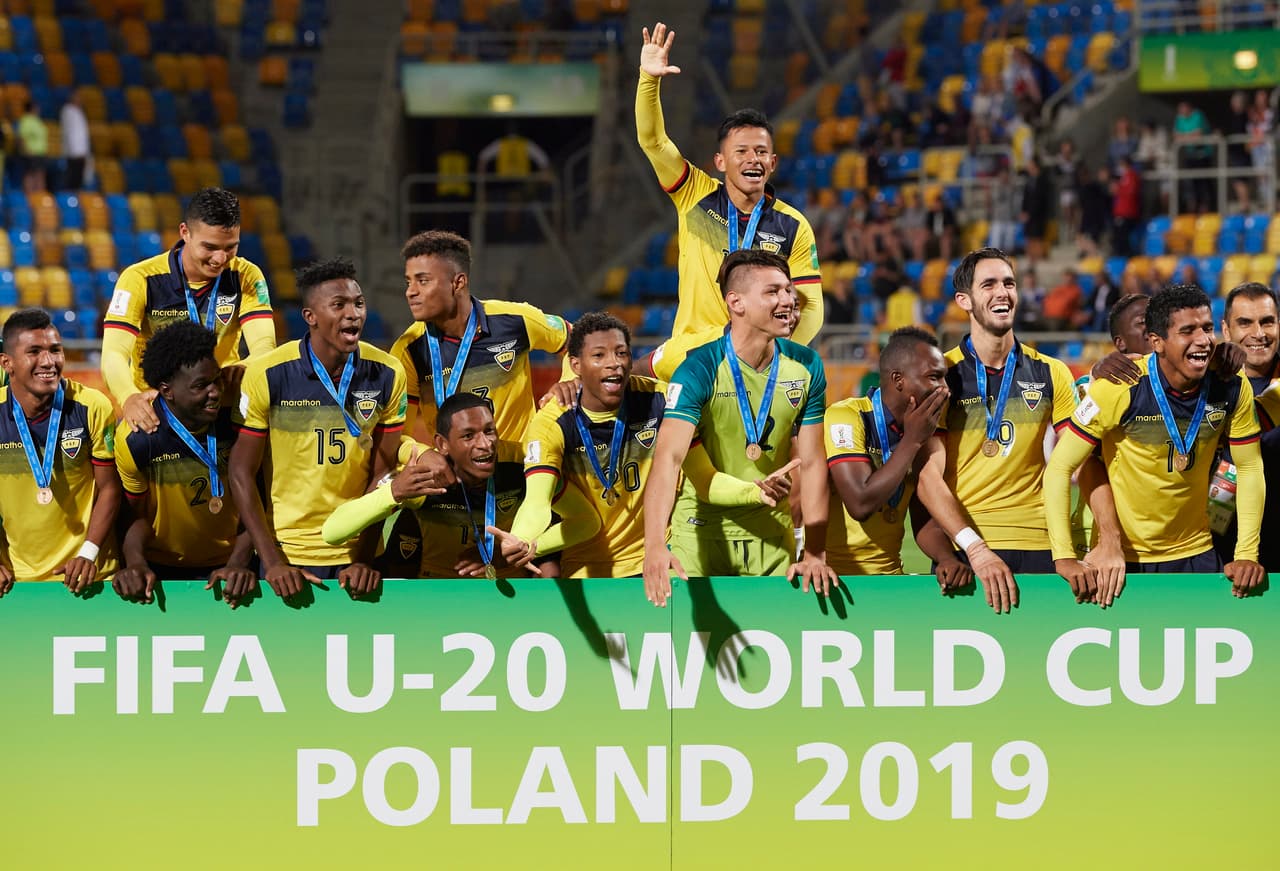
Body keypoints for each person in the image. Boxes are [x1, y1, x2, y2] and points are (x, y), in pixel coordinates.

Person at [1046, 284, 1266, 597]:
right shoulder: (1118, 387)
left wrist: (1246, 554)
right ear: (1157, 342)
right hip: (1123, 561)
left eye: (1206, 328)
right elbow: (1059, 468)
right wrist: (1064, 557)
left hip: (1197, 553)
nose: (1203, 340)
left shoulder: (1231, 385)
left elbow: (1249, 467)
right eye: (1187, 331)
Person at [642, 250, 834, 606]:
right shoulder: (700, 367)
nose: (789, 301)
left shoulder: (807, 365)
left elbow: (813, 462)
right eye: (773, 292)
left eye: (789, 291)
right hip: (700, 537)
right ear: (737, 302)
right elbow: (668, 459)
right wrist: (654, 545)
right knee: (693, 655)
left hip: (772, 538)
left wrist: (815, 552)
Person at [635, 22, 824, 358]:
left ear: (774, 162)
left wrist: (774, 355)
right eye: (742, 152)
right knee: (633, 383)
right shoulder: (694, 194)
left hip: (754, 364)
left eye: (762, 152)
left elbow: (810, 308)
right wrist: (649, 80)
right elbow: (653, 141)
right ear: (720, 161)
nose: (753, 159)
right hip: (694, 356)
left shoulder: (792, 226)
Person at [229, 257, 406, 602]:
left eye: (358, 303)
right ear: (310, 317)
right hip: (286, 555)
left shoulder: (387, 372)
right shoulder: (269, 374)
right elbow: (240, 471)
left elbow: (383, 470)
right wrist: (272, 560)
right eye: (338, 305)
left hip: (358, 555)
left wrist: (363, 558)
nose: (353, 313)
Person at [917, 248, 1077, 586]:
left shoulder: (1053, 372)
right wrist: (973, 548)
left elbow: (1080, 462)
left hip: (1040, 543)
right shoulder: (940, 375)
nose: (1003, 292)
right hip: (967, 546)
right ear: (964, 300)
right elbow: (928, 477)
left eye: (1009, 283)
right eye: (988, 285)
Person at [322, 393, 567, 580]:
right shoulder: (426, 478)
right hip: (437, 602)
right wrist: (393, 492)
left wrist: (516, 552)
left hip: (512, 601)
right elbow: (333, 532)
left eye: (489, 431)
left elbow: (569, 519)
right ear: (443, 444)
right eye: (468, 436)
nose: (485, 445)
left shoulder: (521, 463)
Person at [102, 187, 275, 433]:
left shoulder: (246, 275)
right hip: (156, 412)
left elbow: (265, 346)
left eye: (230, 248)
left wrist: (247, 365)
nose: (220, 258)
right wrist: (129, 397)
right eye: (210, 247)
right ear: (185, 232)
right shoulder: (140, 278)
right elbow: (113, 353)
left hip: (222, 405)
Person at [112, 321, 255, 605]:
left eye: (216, 380)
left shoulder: (241, 418)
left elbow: (262, 500)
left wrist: (240, 561)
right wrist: (136, 563)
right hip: (161, 570)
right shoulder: (137, 438)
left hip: (234, 566)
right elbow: (135, 515)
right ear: (167, 391)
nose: (214, 392)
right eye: (201, 386)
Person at [825, 327, 973, 587]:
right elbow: (860, 503)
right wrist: (912, 441)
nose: (945, 389)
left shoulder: (921, 432)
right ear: (898, 380)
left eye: (944, 378)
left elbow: (923, 519)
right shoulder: (848, 416)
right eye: (934, 377)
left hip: (891, 582)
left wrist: (945, 557)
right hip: (836, 582)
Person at [0, 309, 120, 593]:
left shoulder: (93, 405)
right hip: (17, 581)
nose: (49, 362)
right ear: (8, 363)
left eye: (56, 350)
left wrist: (88, 553)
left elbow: (110, 489)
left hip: (89, 575)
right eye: (34, 351)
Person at [1215, 283, 1280, 572]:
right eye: (1245, 323)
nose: (1258, 334)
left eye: (1267, 322)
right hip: (1214, 544)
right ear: (1226, 329)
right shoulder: (1204, 382)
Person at [59, 92, 90, 190]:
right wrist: (73, 149)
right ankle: (71, 197)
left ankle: (77, 196)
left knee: (79, 177)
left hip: (81, 150)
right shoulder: (68, 111)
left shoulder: (79, 112)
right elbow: (70, 132)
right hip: (74, 151)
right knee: (73, 177)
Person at [16, 101, 48, 193]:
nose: (38, 109)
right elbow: (21, 138)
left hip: (40, 153)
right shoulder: (26, 120)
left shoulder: (37, 120)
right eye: (36, 107)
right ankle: (30, 196)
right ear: (32, 108)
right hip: (31, 153)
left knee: (40, 174)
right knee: (30, 175)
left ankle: (39, 197)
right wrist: (26, 151)